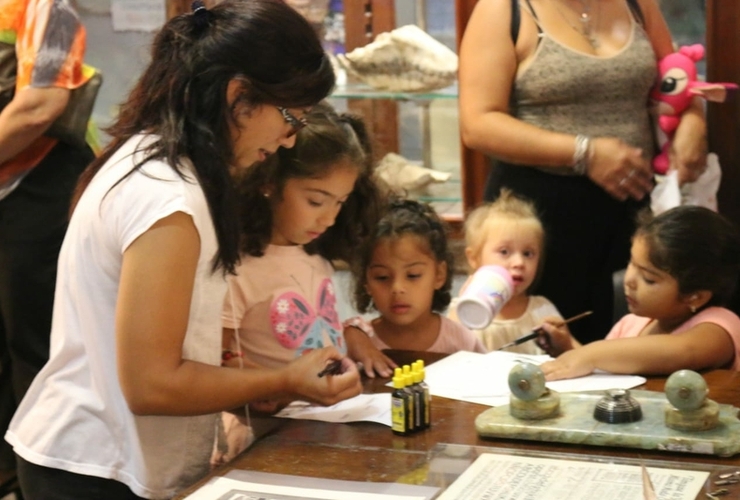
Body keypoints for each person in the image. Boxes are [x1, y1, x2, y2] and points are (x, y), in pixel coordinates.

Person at [4, 2, 362, 499]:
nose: (286, 140)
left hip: (103, 457)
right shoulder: (168, 197)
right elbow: (152, 384)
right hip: (95, 467)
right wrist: (283, 378)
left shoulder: (162, 166)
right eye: (290, 118)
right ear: (239, 95)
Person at [458, 0, 708, 344]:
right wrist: (584, 152)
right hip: (535, 221)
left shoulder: (637, 4)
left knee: (628, 350)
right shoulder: (505, 8)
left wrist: (694, 118)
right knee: (541, 354)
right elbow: (478, 123)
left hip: (630, 211)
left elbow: (676, 77)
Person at [218, 101, 386, 413]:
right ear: (269, 181)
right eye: (316, 201)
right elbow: (219, 361)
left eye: (340, 202)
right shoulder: (240, 271)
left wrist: (352, 344)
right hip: (269, 433)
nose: (329, 218)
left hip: (327, 418)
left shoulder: (316, 259)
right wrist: (278, 386)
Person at [0, 1, 97, 495]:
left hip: (34, 189)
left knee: (36, 345)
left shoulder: (45, 9)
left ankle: (39, 476)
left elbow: (40, 104)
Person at [538, 206, 740, 380]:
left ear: (695, 296)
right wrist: (568, 348)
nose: (629, 280)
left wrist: (589, 354)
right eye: (631, 263)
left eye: (648, 279)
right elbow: (605, 371)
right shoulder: (630, 324)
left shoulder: (719, 327)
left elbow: (685, 352)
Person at [345, 198, 486, 354]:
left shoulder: (462, 342)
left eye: (413, 275)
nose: (397, 288)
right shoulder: (360, 345)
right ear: (366, 282)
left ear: (439, 275)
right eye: (382, 277)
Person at [448, 189, 563, 353]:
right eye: (504, 252)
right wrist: (464, 310)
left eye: (528, 254)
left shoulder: (542, 310)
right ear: (474, 258)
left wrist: (564, 344)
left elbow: (574, 358)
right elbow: (447, 353)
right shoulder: (463, 310)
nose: (519, 263)